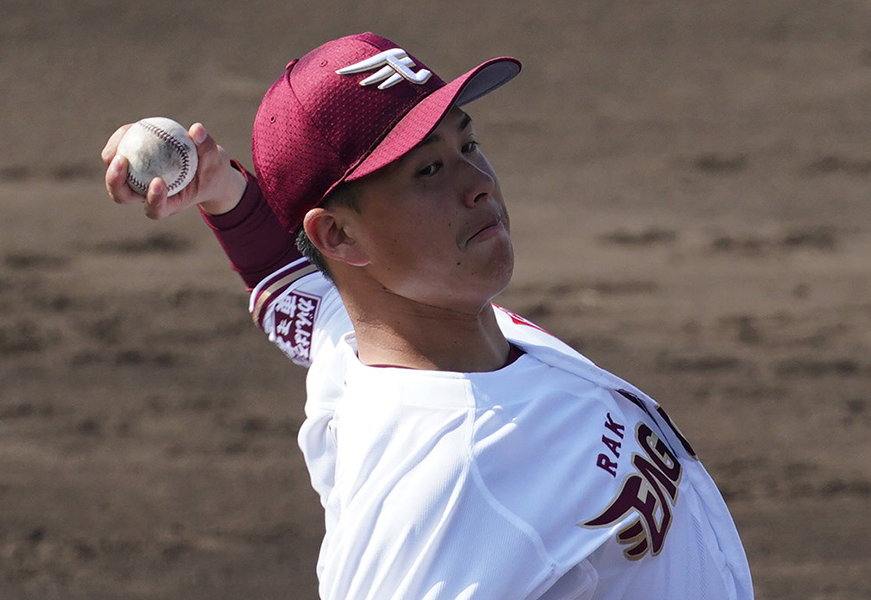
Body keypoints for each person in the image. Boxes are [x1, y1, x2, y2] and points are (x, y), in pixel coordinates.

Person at [102, 32, 753, 600]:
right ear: (340, 238)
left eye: (467, 143)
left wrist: (222, 191)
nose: (478, 183)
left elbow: (296, 282)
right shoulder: (442, 481)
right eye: (430, 169)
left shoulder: (380, 335)